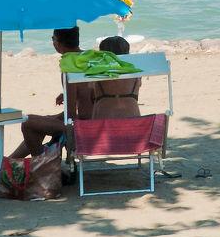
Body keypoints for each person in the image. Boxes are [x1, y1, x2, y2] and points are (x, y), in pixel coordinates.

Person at [12, 27, 88, 157]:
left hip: (79, 124)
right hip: (92, 118)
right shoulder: (88, 57)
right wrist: (67, 94)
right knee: (39, 121)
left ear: (57, 43)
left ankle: (43, 166)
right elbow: (88, 89)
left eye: (53, 38)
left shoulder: (69, 65)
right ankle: (12, 160)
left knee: (28, 123)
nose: (52, 41)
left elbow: (70, 115)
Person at [90, 34, 143, 119]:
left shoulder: (98, 73)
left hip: (103, 121)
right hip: (132, 120)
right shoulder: (135, 75)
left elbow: (91, 92)